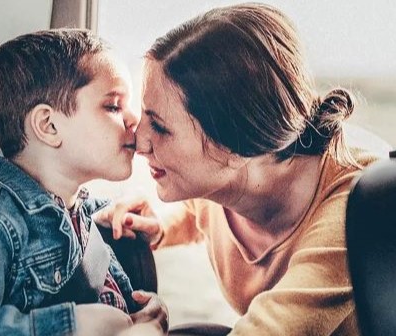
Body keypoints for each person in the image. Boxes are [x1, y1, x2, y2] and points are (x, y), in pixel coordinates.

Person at [96, 3, 380, 335]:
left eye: (159, 127)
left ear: (234, 146)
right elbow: (200, 212)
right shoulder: (230, 176)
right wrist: (161, 228)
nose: (138, 141)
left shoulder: (354, 207)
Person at [0, 29, 167, 336]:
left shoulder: (84, 215)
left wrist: (146, 313)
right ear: (48, 125)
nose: (133, 119)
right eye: (112, 106)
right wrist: (73, 327)